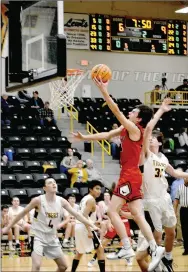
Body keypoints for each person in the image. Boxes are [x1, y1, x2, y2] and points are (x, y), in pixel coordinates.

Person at [70, 78, 164, 271]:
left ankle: (126, 247)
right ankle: (155, 248)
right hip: (133, 174)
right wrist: (84, 137)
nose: (130, 112)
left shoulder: (133, 128)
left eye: (133, 112)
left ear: (138, 118)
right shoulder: (126, 128)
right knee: (138, 215)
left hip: (129, 175)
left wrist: (104, 91)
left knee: (112, 211)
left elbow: (116, 110)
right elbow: (106, 135)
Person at [2, 178, 99, 272]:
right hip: (37, 236)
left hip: (52, 237)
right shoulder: (38, 200)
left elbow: (77, 215)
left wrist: (91, 224)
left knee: (63, 267)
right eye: (50, 182)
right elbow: (21, 214)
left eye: (54, 182)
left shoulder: (61, 201)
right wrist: (8, 227)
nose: (54, 184)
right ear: (44, 188)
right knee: (36, 266)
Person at [139, 98, 188, 270]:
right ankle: (157, 262)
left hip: (164, 197)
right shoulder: (146, 155)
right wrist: (160, 110)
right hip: (151, 200)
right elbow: (148, 130)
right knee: (157, 235)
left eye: (154, 138)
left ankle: (167, 258)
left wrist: (187, 176)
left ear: (160, 142)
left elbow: (174, 173)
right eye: (150, 138)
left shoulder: (163, 157)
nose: (151, 139)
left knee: (171, 231)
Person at [71, 180, 105, 272]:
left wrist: (93, 223)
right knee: (100, 250)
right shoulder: (91, 199)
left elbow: (84, 215)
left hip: (79, 226)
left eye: (100, 189)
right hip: (84, 227)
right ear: (90, 189)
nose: (99, 191)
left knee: (80, 252)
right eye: (97, 188)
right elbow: (84, 215)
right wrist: (89, 230)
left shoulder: (85, 198)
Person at [174, 178, 188, 255]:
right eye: (185, 177)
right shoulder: (180, 187)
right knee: (184, 230)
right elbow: (176, 200)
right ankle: (186, 249)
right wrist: (174, 211)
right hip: (183, 210)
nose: (186, 179)